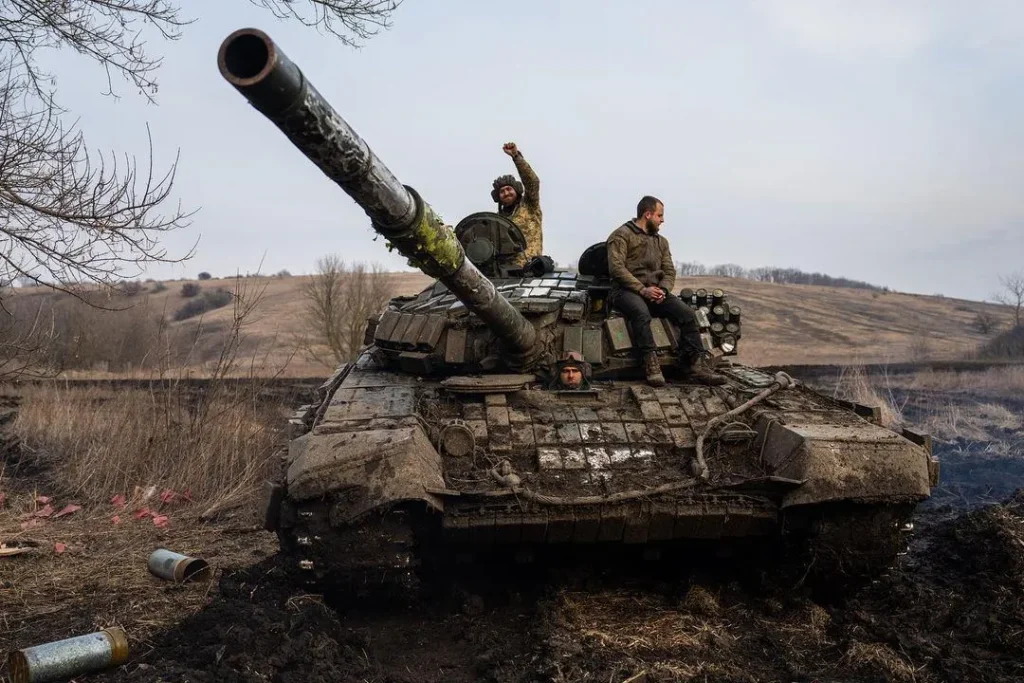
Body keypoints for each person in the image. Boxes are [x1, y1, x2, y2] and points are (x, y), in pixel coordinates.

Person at [606, 196, 725, 387]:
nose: (662, 220)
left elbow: (669, 270)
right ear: (647, 214)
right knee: (640, 313)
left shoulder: (661, 242)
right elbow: (617, 269)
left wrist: (662, 290)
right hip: (625, 291)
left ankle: (694, 366)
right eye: (659, 215)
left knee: (687, 314)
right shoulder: (621, 236)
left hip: (655, 291)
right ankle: (651, 365)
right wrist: (642, 289)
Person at [491, 142, 542, 268]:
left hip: (530, 270)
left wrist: (516, 156)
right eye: (502, 191)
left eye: (509, 189)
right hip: (504, 274)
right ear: (498, 197)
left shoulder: (530, 205)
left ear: (516, 190)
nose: (506, 193)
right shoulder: (496, 221)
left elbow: (532, 181)